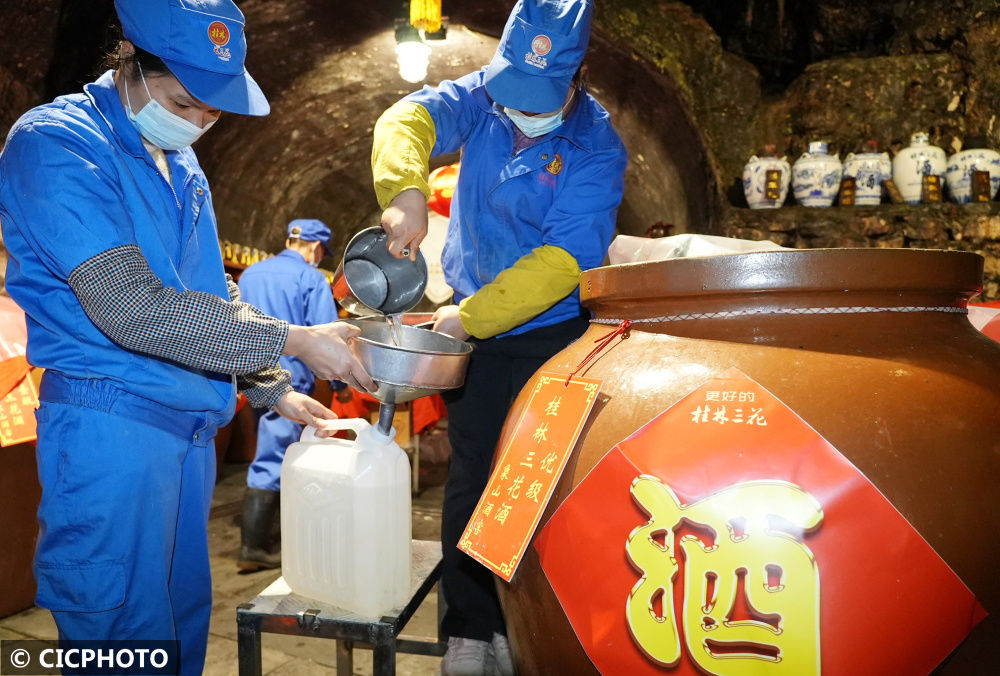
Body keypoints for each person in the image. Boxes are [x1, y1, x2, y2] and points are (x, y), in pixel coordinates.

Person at [0, 1, 374, 674]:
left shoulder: (179, 161)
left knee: (178, 628)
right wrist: (294, 338)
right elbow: (132, 307)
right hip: (112, 430)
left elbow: (208, 292)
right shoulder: (58, 146)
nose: (200, 121)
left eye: (214, 111)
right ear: (129, 66)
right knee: (118, 637)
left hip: (187, 434)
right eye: (185, 101)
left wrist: (269, 388)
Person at [371, 1, 627, 674]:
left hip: (548, 333)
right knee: (473, 480)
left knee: (539, 485)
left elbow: (563, 260)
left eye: (536, 101)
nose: (517, 113)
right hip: (473, 327)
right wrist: (404, 193)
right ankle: (469, 627)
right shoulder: (481, 99)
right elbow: (407, 118)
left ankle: (527, 627)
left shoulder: (596, 146)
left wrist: (471, 317)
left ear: (576, 79)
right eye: (509, 94)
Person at [236, 218, 340, 572]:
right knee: (275, 457)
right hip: (289, 385)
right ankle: (254, 547)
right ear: (315, 247)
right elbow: (326, 336)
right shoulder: (310, 278)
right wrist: (341, 384)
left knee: (268, 452)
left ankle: (269, 536)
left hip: (250, 379)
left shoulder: (250, 274)